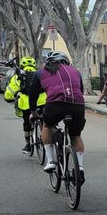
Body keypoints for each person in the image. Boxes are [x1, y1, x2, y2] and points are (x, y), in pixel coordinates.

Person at [27, 51, 87, 185]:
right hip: (77, 105)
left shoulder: (41, 72)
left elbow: (33, 94)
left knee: (47, 126)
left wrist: (33, 112)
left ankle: (51, 161)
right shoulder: (75, 71)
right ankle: (80, 168)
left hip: (55, 104)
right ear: (66, 61)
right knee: (76, 135)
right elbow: (80, 90)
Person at [4, 56, 45, 154]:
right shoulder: (41, 74)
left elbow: (10, 90)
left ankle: (28, 146)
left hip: (27, 104)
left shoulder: (19, 75)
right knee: (46, 123)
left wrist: (8, 98)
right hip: (43, 101)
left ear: (22, 65)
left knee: (27, 123)